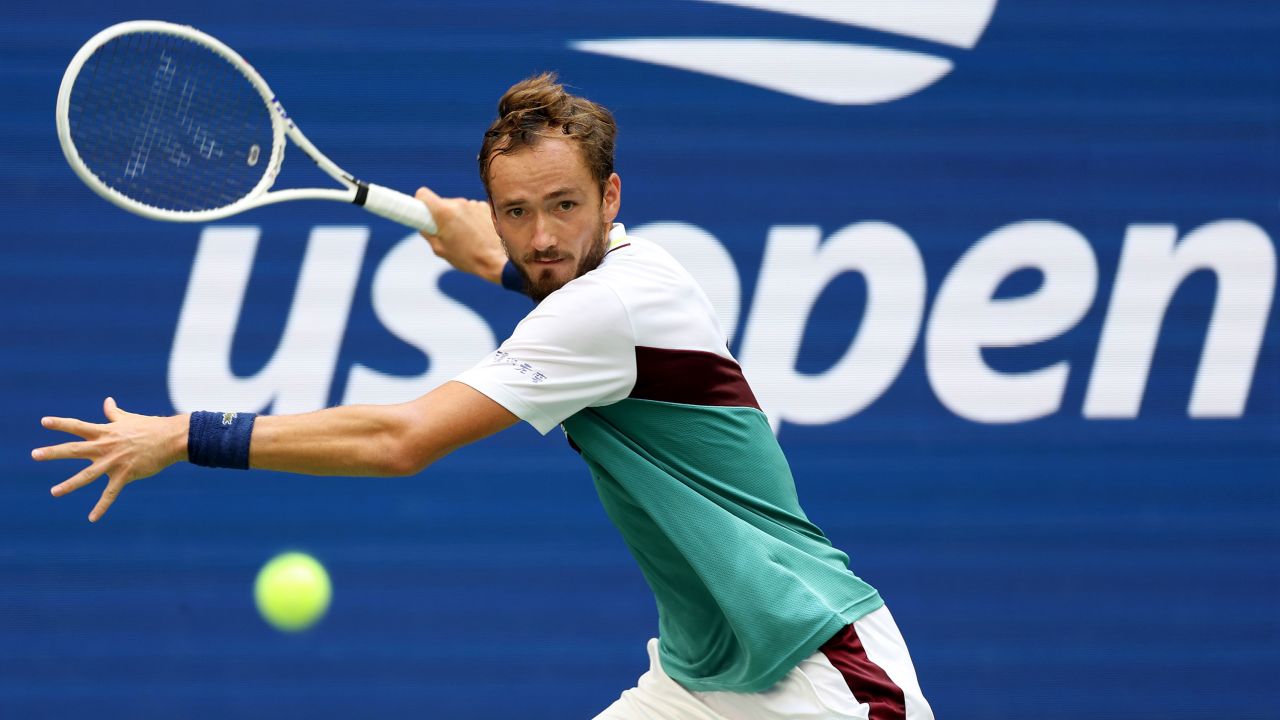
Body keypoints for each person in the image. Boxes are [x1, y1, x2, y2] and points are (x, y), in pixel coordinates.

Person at [33, 73, 933, 720]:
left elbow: (400, 439)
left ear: (609, 196)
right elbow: (544, 281)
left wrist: (190, 434)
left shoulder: (603, 307)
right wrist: (483, 253)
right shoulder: (638, 268)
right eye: (516, 212)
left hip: (817, 672)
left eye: (565, 206)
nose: (542, 236)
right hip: (706, 679)